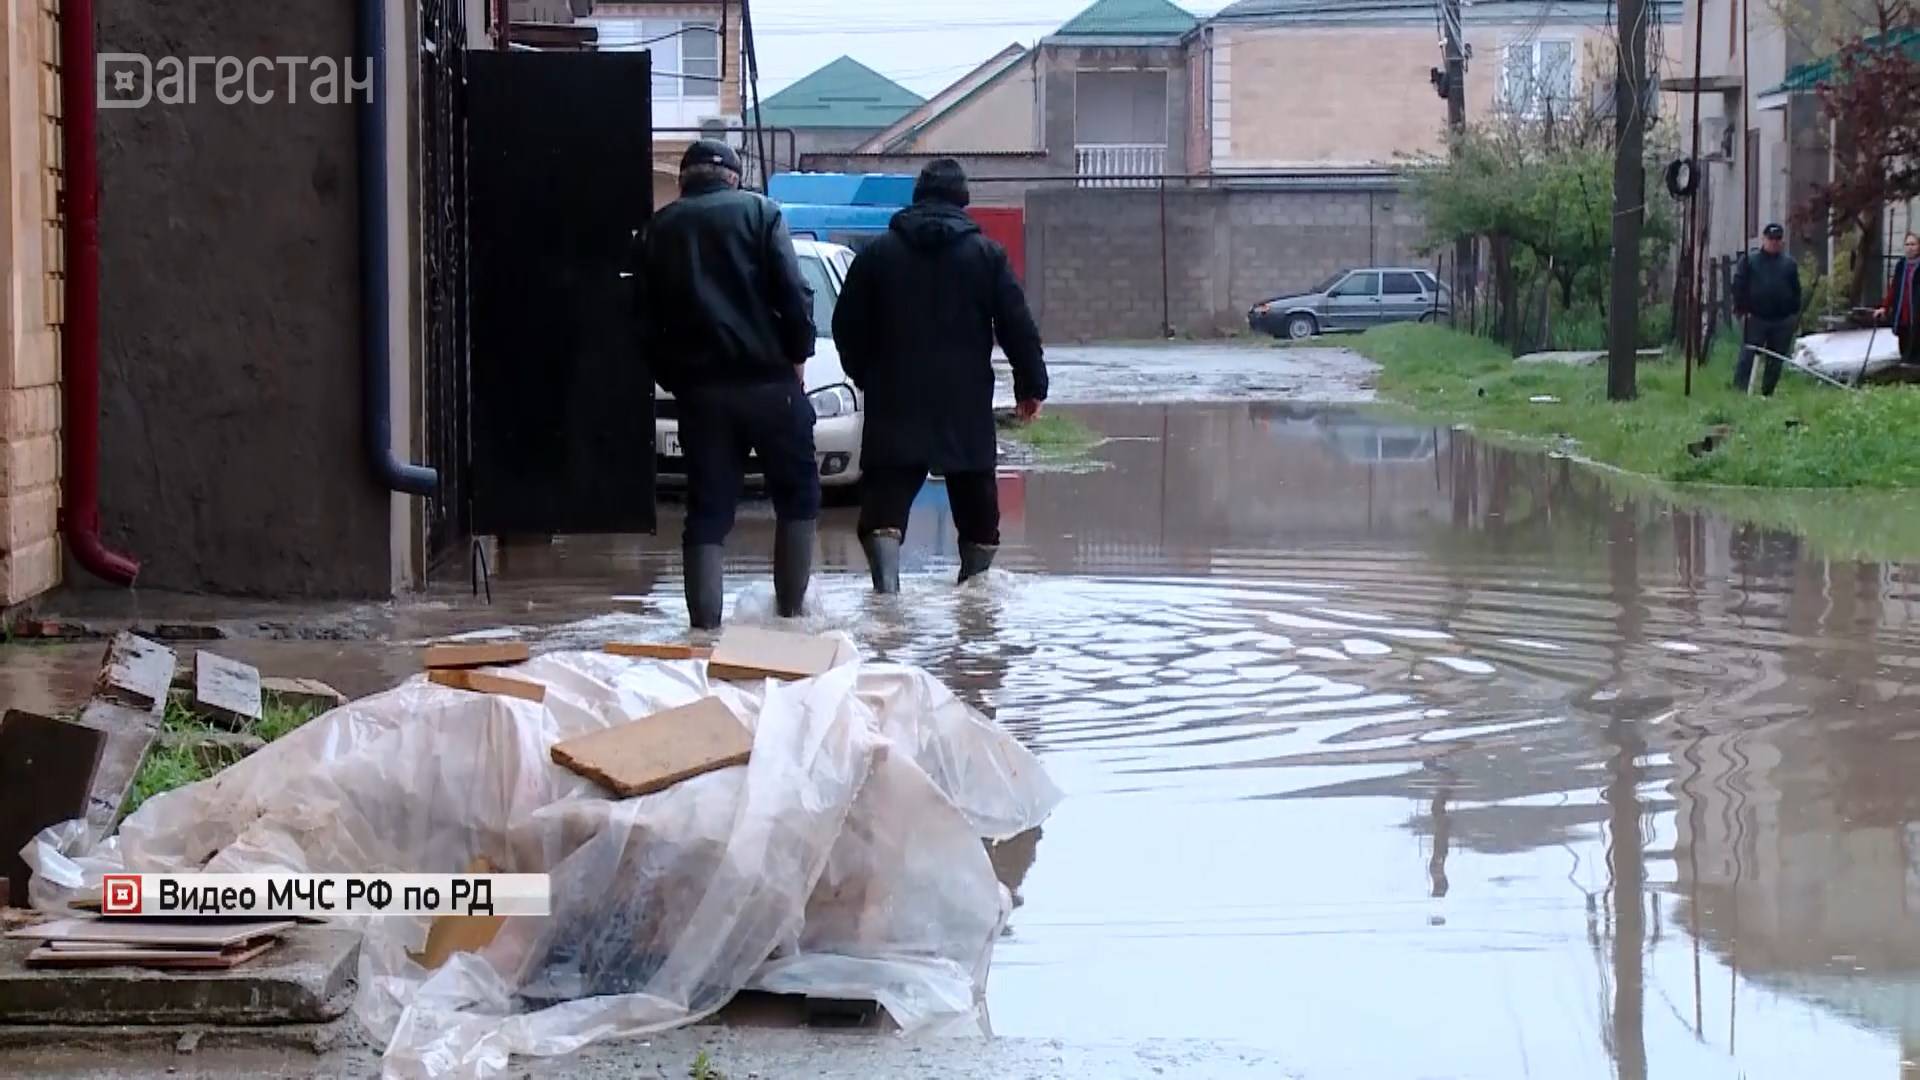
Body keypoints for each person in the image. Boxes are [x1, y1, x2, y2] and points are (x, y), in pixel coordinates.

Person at [832, 159, 1047, 593]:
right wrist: (1031, 387)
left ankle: (887, 599)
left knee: (883, 511)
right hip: (963, 404)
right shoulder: (987, 256)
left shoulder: (878, 255)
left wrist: (865, 375)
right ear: (962, 201)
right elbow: (1017, 326)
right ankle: (976, 606)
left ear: (917, 198)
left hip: (893, 401)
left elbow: (846, 325)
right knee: (979, 516)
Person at [639, 139, 819, 629]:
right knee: (798, 494)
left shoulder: (660, 228)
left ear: (683, 181)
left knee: (707, 510)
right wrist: (798, 355)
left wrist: (674, 378)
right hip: (771, 383)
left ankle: (704, 636)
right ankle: (791, 619)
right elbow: (795, 292)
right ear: (734, 178)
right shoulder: (762, 214)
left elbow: (643, 318)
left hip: (703, 393)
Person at [1730, 222, 1802, 397]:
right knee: (1748, 355)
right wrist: (1741, 310)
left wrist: (1793, 313)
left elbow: (1796, 289)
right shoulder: (1750, 260)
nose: (1774, 243)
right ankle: (1740, 391)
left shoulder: (1788, 264)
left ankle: (1767, 393)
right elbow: (1739, 285)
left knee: (1775, 359)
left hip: (1781, 319)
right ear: (1764, 239)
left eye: (1777, 240)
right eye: (1771, 239)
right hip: (1756, 317)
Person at [1875, 232, 1920, 366]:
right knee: (1904, 344)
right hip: (1902, 313)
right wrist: (1884, 307)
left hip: (1917, 314)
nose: (1910, 247)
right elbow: (1894, 288)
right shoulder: (1901, 265)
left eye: (1913, 244)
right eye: (1907, 244)